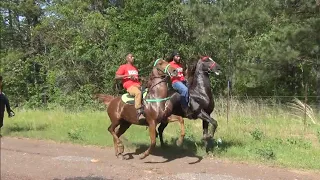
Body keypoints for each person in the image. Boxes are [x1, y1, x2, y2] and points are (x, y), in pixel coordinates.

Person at [115, 53, 145, 121]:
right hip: (130, 86)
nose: (133, 58)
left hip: (138, 85)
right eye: (131, 57)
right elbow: (116, 77)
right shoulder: (123, 67)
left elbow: (135, 78)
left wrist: (140, 79)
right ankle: (139, 112)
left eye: (133, 56)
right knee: (138, 93)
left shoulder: (135, 68)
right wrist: (127, 76)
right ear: (127, 59)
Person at [168, 51, 191, 116]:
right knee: (185, 90)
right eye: (177, 56)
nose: (179, 58)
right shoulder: (170, 65)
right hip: (175, 82)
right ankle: (185, 108)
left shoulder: (180, 65)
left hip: (183, 81)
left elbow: (183, 74)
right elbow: (170, 75)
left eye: (179, 56)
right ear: (173, 57)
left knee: (193, 89)